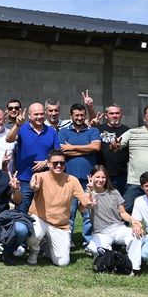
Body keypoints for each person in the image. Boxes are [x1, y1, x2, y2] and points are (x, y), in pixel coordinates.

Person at [25, 149, 94, 267]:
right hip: (40, 219)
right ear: (48, 164)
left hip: (60, 225)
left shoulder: (72, 180)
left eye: (62, 163)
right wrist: (34, 187)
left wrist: (89, 201)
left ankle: (45, 245)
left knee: (62, 263)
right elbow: (33, 186)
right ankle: (34, 252)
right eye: (55, 163)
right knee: (35, 234)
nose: (58, 165)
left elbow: (83, 200)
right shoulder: (39, 176)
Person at [84, 165, 142, 273]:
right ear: (91, 177)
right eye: (97, 177)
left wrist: (134, 221)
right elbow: (85, 205)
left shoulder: (114, 192)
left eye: (103, 177)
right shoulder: (88, 194)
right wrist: (89, 191)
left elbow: (122, 212)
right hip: (101, 232)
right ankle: (112, 262)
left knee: (136, 236)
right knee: (95, 249)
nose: (100, 180)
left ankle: (133, 268)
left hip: (117, 228)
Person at [58, 103, 101, 245]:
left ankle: (89, 242)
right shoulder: (63, 132)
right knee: (69, 212)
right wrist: (87, 150)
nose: (79, 117)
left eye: (82, 115)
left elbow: (96, 147)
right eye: (76, 115)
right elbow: (62, 151)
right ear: (71, 115)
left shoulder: (92, 130)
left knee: (88, 212)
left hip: (88, 179)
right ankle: (67, 241)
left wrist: (72, 147)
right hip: (69, 179)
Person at [6, 103, 60, 212]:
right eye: (36, 114)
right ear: (29, 116)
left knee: (46, 212)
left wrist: (46, 162)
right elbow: (9, 139)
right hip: (24, 179)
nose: (39, 117)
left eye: (41, 114)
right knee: (22, 212)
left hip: (46, 179)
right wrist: (17, 125)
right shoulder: (22, 129)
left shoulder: (51, 131)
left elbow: (58, 153)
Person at [96, 104, 130, 194]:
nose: (114, 116)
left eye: (117, 113)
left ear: (121, 115)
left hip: (120, 176)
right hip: (100, 174)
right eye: (111, 113)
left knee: (118, 201)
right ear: (106, 115)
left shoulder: (128, 131)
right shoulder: (98, 129)